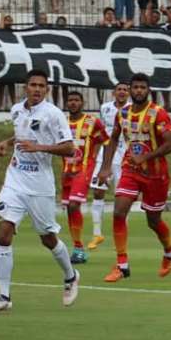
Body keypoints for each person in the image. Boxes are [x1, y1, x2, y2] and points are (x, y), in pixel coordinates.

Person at [0, 69, 80, 313]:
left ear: (47, 89)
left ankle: (71, 276)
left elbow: (70, 149)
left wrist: (39, 147)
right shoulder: (17, 110)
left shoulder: (54, 114)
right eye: (33, 85)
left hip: (40, 186)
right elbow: (21, 134)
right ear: (25, 87)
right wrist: (7, 143)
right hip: (15, 181)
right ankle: (4, 296)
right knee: (4, 233)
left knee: (47, 238)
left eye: (41, 85)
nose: (37, 89)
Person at [97, 73, 171, 283]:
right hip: (131, 170)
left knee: (153, 221)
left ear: (148, 90)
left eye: (143, 87)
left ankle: (170, 251)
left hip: (156, 175)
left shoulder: (158, 114)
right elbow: (113, 138)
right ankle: (122, 265)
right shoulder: (122, 114)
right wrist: (105, 168)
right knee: (118, 212)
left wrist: (146, 156)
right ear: (130, 90)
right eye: (135, 87)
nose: (139, 91)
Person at [60, 91, 110, 264]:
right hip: (66, 171)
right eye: (70, 100)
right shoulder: (62, 123)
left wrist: (101, 164)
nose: (73, 103)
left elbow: (106, 141)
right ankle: (77, 246)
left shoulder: (92, 122)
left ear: (82, 102)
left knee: (74, 205)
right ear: (67, 103)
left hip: (83, 170)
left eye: (76, 100)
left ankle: (79, 248)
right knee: (69, 209)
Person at [89, 82, 130, 250]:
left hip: (123, 155)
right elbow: (101, 131)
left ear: (128, 93)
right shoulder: (105, 108)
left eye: (125, 90)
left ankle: (121, 233)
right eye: (119, 89)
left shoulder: (132, 109)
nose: (122, 92)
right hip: (105, 154)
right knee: (97, 191)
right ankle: (97, 233)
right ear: (114, 92)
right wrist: (95, 151)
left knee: (122, 197)